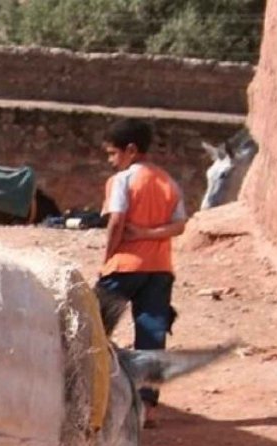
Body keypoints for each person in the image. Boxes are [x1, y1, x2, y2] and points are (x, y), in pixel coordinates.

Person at [95, 117, 187, 419]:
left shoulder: (122, 180)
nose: (111, 160)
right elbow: (179, 225)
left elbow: (117, 221)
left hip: (124, 266)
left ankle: (87, 393)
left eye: (113, 153)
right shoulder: (167, 182)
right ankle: (146, 407)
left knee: (91, 326)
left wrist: (107, 259)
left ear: (130, 150)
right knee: (152, 335)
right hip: (160, 269)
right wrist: (149, 235)